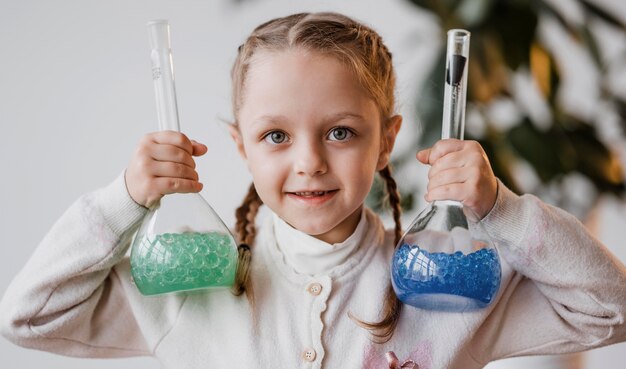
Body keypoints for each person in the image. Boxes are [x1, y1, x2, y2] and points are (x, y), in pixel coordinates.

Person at [1, 12, 625, 369]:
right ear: (239, 144)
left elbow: (611, 312)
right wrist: (123, 203)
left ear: (386, 141)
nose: (309, 162)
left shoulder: (447, 286)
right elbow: (26, 317)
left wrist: (506, 215)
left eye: (341, 132)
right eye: (275, 135)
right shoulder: (193, 288)